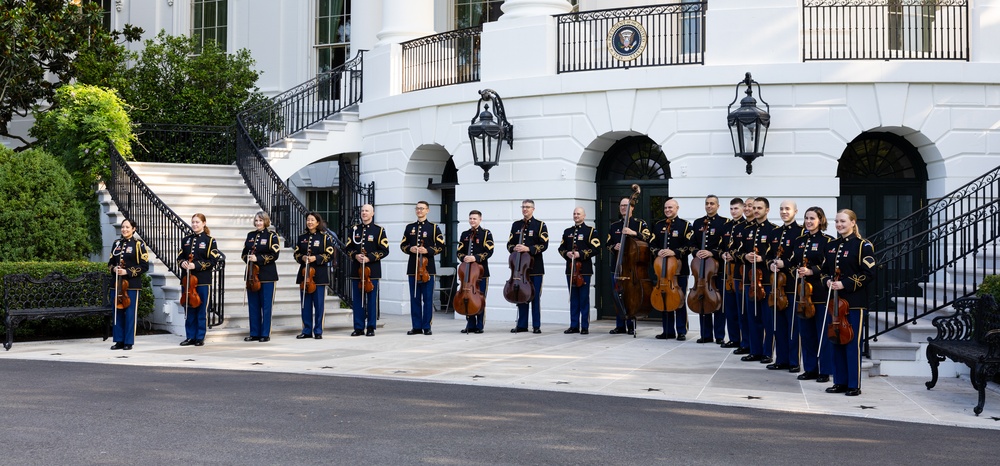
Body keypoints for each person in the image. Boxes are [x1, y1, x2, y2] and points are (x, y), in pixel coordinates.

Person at [821, 209, 875, 397]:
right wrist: (827, 281)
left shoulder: (863, 246)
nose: (839, 225)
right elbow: (824, 271)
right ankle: (839, 381)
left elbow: (869, 274)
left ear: (853, 222)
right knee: (836, 341)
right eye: (836, 221)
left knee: (852, 343)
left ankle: (854, 384)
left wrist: (844, 283)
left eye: (843, 221)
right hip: (835, 301)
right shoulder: (832, 245)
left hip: (854, 302)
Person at [788, 207, 834, 383]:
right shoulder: (799, 240)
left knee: (821, 333)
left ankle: (825, 370)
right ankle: (810, 369)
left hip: (820, 293)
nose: (808, 221)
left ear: (820, 220)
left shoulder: (828, 241)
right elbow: (791, 263)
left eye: (812, 218)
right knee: (806, 334)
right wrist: (797, 272)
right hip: (802, 294)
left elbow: (828, 266)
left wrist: (811, 271)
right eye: (806, 218)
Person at [766, 200, 804, 372]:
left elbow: (802, 259)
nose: (784, 212)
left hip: (792, 286)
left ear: (795, 211)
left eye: (787, 209)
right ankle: (780, 359)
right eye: (781, 209)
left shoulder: (801, 232)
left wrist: (785, 264)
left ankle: (794, 361)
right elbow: (769, 255)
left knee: (793, 326)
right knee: (778, 325)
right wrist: (770, 265)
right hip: (776, 287)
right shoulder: (775, 232)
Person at [738, 197, 777, 363]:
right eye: (754, 208)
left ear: (767, 210)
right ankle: (755, 351)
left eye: (759, 208)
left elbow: (776, 255)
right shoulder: (746, 230)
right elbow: (735, 252)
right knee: (752, 317)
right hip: (749, 280)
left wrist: (763, 259)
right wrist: (745, 256)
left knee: (767, 319)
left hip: (767, 281)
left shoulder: (774, 230)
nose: (755, 211)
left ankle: (768, 352)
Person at [607, 197, 653, 335]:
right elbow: (607, 244)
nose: (623, 208)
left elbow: (648, 237)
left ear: (632, 207)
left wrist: (633, 233)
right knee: (618, 295)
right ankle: (619, 325)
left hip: (633, 267)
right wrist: (614, 247)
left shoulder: (640, 224)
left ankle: (631, 324)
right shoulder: (614, 225)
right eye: (621, 205)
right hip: (618, 266)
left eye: (626, 206)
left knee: (631, 296)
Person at [651, 198, 694, 340]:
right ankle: (667, 331)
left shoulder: (685, 225)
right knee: (664, 299)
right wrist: (658, 251)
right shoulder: (658, 225)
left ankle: (681, 330)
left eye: (670, 207)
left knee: (679, 300)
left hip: (679, 271)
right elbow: (651, 244)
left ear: (677, 208)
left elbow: (689, 245)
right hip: (662, 270)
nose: (668, 210)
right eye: (665, 208)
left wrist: (674, 252)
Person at [177, 213, 222, 347]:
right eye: (193, 222)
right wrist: (183, 263)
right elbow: (179, 258)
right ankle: (190, 336)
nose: (195, 225)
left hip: (202, 280)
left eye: (197, 222)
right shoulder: (185, 240)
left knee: (202, 310)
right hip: (187, 280)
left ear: (204, 223)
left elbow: (213, 261)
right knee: (189, 309)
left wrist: (196, 265)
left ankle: (200, 337)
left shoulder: (210, 240)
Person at [401, 201, 445, 336]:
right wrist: (411, 248)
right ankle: (416, 326)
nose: (419, 211)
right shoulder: (409, 227)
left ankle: (427, 326)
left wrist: (427, 250)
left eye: (422, 208)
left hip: (428, 269)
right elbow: (403, 245)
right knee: (414, 298)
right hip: (413, 268)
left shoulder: (434, 228)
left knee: (427, 299)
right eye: (417, 208)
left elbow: (441, 246)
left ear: (428, 210)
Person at [345, 204, 389, 336]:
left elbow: (385, 250)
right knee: (357, 301)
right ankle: (358, 327)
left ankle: (371, 327)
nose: (364, 213)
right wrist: (355, 255)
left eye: (367, 211)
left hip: (372, 271)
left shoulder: (379, 230)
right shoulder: (354, 230)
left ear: (372, 213)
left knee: (371, 300)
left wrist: (370, 258)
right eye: (362, 211)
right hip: (356, 270)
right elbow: (347, 248)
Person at [691, 195, 729, 344]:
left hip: (716, 268)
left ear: (718, 206)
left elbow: (726, 246)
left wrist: (712, 253)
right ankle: (705, 335)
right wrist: (696, 252)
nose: (709, 206)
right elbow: (692, 243)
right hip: (701, 269)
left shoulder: (724, 223)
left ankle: (719, 335)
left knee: (718, 301)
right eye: (707, 203)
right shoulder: (698, 222)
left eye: (712, 204)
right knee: (702, 299)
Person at [508, 199, 549, 334]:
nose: (525, 209)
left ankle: (536, 325)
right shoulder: (516, 225)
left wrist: (528, 248)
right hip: (519, 269)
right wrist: (515, 248)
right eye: (523, 207)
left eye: (528, 207)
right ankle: (522, 325)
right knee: (520, 296)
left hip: (535, 268)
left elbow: (544, 245)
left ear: (533, 209)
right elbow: (509, 244)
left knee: (535, 297)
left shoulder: (540, 225)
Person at [558, 207, 600, 334]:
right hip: (570, 270)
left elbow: (596, 248)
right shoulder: (567, 231)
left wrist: (580, 254)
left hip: (584, 271)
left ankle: (585, 327)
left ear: (584, 216)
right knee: (573, 299)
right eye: (574, 214)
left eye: (578, 214)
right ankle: (574, 325)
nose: (576, 216)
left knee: (583, 299)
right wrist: (567, 254)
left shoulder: (591, 231)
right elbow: (561, 248)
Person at [293, 212, 336, 340]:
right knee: (305, 305)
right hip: (304, 275)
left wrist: (315, 258)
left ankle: (318, 330)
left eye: (312, 220)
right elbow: (296, 253)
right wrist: (303, 257)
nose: (310, 222)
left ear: (318, 222)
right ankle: (306, 330)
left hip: (319, 275)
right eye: (308, 220)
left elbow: (330, 254)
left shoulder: (324, 237)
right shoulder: (302, 237)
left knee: (319, 305)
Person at [108, 219, 149, 351]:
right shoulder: (116, 243)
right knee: (117, 312)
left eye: (127, 227)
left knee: (130, 313)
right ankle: (118, 340)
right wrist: (114, 269)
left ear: (134, 229)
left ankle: (128, 341)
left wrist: (127, 271)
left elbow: (144, 266)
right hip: (116, 284)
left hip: (131, 284)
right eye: (123, 227)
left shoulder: (138, 244)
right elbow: (110, 263)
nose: (124, 229)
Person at [241, 211, 281, 343]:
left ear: (266, 222)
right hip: (252, 275)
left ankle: (265, 333)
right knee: (253, 305)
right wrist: (248, 257)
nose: (258, 223)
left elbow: (274, 254)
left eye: (261, 220)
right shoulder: (250, 235)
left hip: (267, 275)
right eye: (257, 220)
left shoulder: (272, 236)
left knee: (266, 305)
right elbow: (243, 254)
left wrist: (257, 258)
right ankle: (254, 333)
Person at [457, 210, 494, 334]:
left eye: (475, 218)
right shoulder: (465, 234)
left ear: (480, 219)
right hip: (467, 273)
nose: (472, 221)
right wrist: (463, 258)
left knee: (480, 299)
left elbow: (489, 251)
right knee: (467, 297)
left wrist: (475, 258)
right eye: (470, 218)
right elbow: (459, 251)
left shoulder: (486, 233)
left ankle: (479, 325)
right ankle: (470, 324)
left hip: (481, 273)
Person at [720, 198, 746, 350]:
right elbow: (721, 246)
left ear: (742, 209)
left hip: (740, 271)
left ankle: (743, 340)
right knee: (729, 307)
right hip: (727, 271)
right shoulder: (726, 226)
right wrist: (723, 254)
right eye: (731, 209)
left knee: (740, 308)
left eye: (736, 208)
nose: (733, 211)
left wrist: (734, 256)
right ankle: (733, 337)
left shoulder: (745, 226)